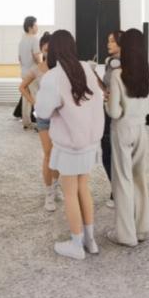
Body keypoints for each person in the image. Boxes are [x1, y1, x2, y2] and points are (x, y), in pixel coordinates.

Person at [35, 30, 104, 260]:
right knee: (84, 188)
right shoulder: (86, 68)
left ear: (53, 50)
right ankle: (90, 240)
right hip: (90, 142)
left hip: (69, 145)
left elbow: (42, 111)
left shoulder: (53, 76)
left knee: (70, 193)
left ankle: (76, 244)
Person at [105, 28, 149, 246]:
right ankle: (142, 228)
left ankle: (125, 235)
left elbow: (114, 112)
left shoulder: (118, 75)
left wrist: (106, 101)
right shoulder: (146, 74)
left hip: (122, 130)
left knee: (122, 181)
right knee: (139, 178)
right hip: (141, 129)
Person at [21, 33, 63, 211]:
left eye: (50, 46)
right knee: (48, 153)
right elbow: (22, 87)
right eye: (44, 46)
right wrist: (34, 102)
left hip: (60, 116)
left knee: (58, 154)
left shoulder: (61, 69)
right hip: (44, 116)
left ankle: (56, 186)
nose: (47, 49)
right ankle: (49, 193)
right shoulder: (37, 69)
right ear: (42, 49)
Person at [99, 30, 124, 207]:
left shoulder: (123, 65)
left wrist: (113, 95)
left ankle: (118, 191)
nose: (108, 44)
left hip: (118, 111)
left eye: (112, 41)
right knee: (106, 152)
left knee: (113, 153)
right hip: (107, 109)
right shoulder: (110, 63)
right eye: (108, 41)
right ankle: (116, 189)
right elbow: (105, 87)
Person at [14, 15, 42, 125]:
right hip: (33, 73)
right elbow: (36, 56)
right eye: (36, 25)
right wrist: (41, 65)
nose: (37, 27)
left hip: (24, 72)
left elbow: (19, 58)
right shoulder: (34, 39)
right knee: (36, 97)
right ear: (30, 27)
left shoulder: (22, 40)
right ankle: (41, 121)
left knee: (26, 98)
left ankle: (26, 122)